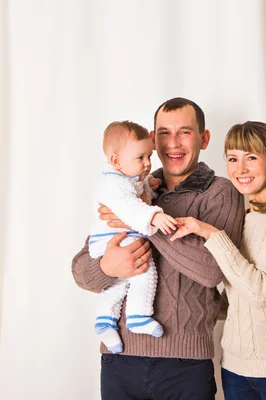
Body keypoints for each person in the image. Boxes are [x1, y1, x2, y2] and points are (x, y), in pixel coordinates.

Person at [72, 98, 245, 400]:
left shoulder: (219, 192)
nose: (173, 143)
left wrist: (145, 221)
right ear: (152, 139)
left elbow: (213, 270)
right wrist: (105, 267)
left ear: (204, 139)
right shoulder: (129, 189)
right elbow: (81, 273)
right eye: (164, 133)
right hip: (119, 356)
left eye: (185, 132)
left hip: (184, 363)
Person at [171, 121, 266, 400]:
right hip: (235, 369)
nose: (240, 169)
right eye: (232, 159)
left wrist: (209, 232)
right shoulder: (241, 218)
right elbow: (236, 296)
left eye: (251, 157)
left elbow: (262, 291)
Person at [90, 120, 177, 354]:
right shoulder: (113, 184)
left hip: (112, 240)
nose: (148, 163)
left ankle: (105, 322)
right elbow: (131, 207)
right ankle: (139, 315)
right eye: (140, 158)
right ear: (116, 161)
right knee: (143, 269)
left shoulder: (126, 177)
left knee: (118, 285)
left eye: (149, 156)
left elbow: (138, 191)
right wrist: (154, 217)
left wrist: (149, 184)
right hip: (115, 239)